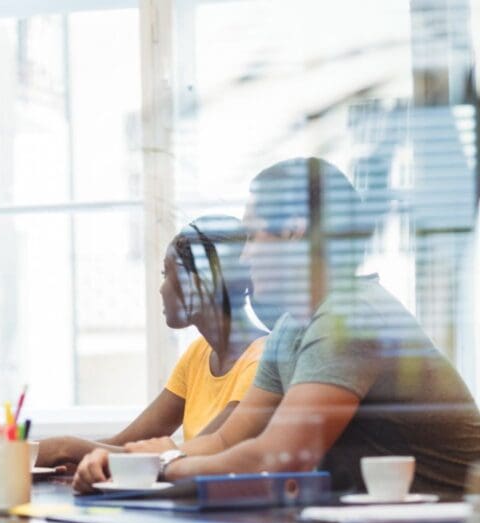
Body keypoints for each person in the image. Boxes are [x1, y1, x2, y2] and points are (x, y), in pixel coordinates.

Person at [73, 157, 480, 495]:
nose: (246, 256)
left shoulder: (352, 319)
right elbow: (226, 441)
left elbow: (281, 457)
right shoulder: (291, 329)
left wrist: (166, 465)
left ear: (293, 230)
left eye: (252, 236)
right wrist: (138, 464)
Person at [36, 216, 268, 471]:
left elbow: (190, 455)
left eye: (170, 274)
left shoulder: (260, 362)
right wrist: (76, 458)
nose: (162, 289)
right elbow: (124, 443)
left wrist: (66, 447)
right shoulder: (198, 354)